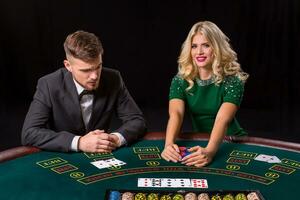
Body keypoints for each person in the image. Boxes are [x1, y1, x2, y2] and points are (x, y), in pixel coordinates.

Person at [22, 30, 146, 153]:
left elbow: (137, 121)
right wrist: (80, 142)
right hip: (63, 157)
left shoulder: (113, 78)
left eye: (98, 67)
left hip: (101, 156)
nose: (94, 76)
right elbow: (29, 133)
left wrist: (114, 139)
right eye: (86, 70)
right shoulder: (49, 84)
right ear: (68, 66)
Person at [161, 21, 249, 167]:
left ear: (217, 48)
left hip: (231, 142)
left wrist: (210, 150)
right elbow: (176, 114)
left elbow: (223, 119)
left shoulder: (233, 81)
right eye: (194, 46)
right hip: (201, 141)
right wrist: (168, 144)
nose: (199, 52)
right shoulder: (181, 80)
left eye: (206, 45)